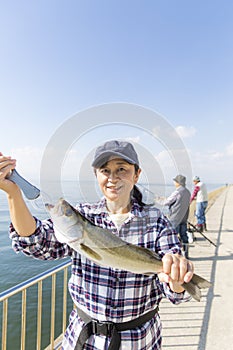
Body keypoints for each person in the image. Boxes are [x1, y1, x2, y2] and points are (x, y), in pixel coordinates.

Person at [0, 141, 194, 350]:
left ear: (136, 175)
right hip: (84, 339)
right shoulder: (83, 215)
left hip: (139, 342)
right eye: (105, 171)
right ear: (96, 175)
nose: (113, 178)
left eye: (122, 169)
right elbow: (36, 242)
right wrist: (13, 194)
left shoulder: (157, 222)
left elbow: (175, 293)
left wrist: (176, 277)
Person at [158, 175, 191, 258]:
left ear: (178, 182)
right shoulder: (187, 192)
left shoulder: (177, 192)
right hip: (184, 217)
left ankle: (175, 256)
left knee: (173, 237)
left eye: (175, 181)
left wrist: (157, 200)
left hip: (175, 218)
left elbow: (166, 202)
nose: (174, 182)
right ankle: (186, 254)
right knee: (184, 236)